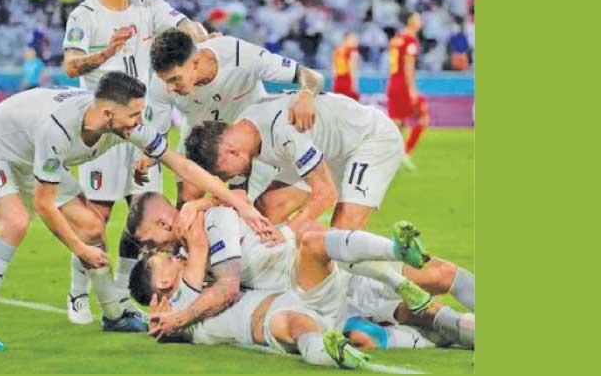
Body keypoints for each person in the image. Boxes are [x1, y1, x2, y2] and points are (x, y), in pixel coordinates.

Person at [0, 72, 270, 350]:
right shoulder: (59, 130)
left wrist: (236, 201)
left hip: (31, 154)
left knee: (92, 226)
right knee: (16, 222)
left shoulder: (123, 125)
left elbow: (181, 164)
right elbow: (44, 203)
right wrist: (79, 249)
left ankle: (114, 313)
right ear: (108, 113)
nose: (138, 121)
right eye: (133, 114)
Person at [60, 0, 211, 324]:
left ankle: (124, 301)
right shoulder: (86, 15)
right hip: (105, 133)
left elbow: (183, 24)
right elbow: (71, 65)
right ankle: (78, 292)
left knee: (143, 216)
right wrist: (106, 53)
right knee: (96, 216)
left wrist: (201, 36)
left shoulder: (151, 6)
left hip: (143, 129)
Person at [130, 198, 474, 355]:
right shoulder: (193, 271)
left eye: (152, 244)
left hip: (342, 275)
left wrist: (201, 202)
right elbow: (222, 285)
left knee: (440, 275)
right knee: (314, 247)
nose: (159, 250)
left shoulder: (197, 247)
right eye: (153, 252)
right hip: (309, 288)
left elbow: (237, 198)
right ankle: (443, 324)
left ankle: (453, 326)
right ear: (161, 285)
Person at [147, 28, 324, 207]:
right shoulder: (160, 84)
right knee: (187, 200)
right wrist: (147, 158)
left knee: (253, 205)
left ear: (195, 61)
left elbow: (310, 76)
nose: (169, 88)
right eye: (166, 81)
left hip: (247, 138)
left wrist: (306, 94)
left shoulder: (240, 55)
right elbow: (157, 137)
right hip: (200, 137)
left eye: (175, 79)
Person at [185, 93, 402, 230]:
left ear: (231, 152)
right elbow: (240, 197)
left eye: (221, 173)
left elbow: (325, 194)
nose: (225, 178)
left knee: (342, 234)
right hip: (325, 149)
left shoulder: (285, 129)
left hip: (369, 140)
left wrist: (286, 237)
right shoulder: (241, 135)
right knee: (268, 208)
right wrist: (197, 205)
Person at [387, 12, 429, 170]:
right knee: (422, 118)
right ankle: (403, 153)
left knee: (399, 123)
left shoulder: (397, 38)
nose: (420, 21)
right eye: (418, 18)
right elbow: (408, 66)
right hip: (403, 84)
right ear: (411, 21)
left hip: (394, 81)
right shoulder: (410, 41)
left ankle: (394, 156)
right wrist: (412, 89)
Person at [331, 32, 360, 101]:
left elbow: (334, 69)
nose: (356, 42)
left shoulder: (337, 50)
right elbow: (353, 69)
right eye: (353, 40)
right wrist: (354, 85)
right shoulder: (352, 51)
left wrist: (334, 82)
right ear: (347, 39)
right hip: (347, 80)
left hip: (337, 81)